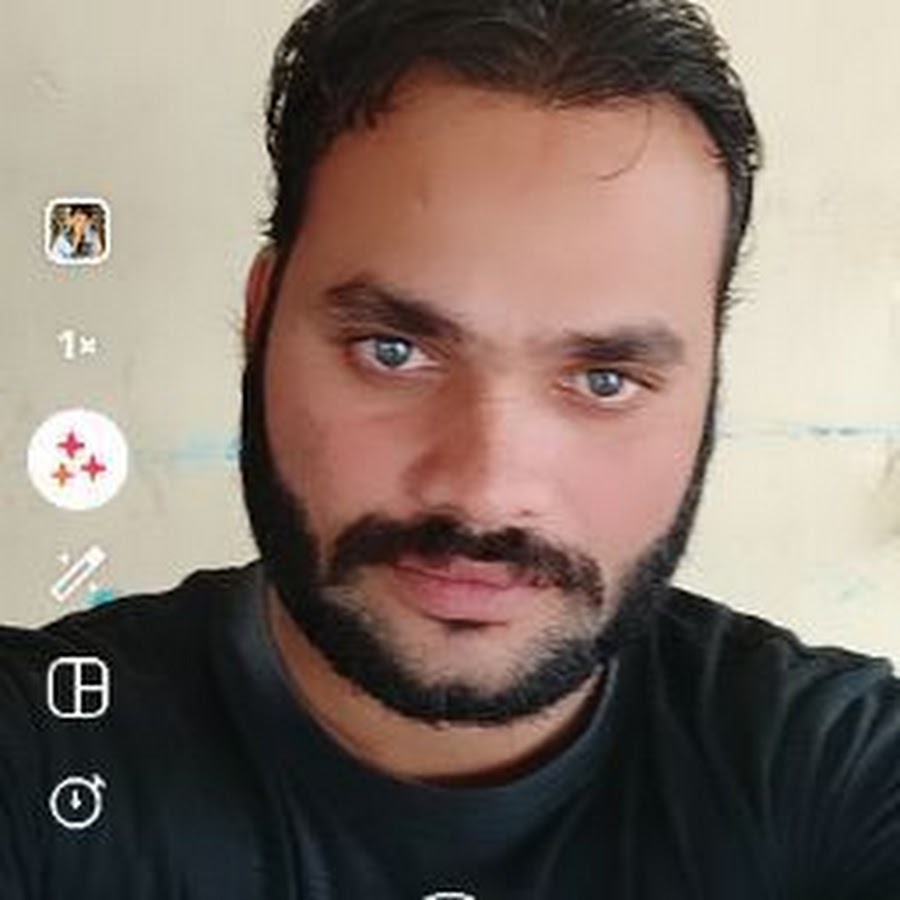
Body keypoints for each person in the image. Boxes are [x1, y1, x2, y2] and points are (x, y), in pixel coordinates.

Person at [3, 0, 899, 897]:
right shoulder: (43, 747)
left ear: (710, 383)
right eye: (392, 351)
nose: (484, 492)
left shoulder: (839, 774)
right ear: (260, 316)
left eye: (604, 379)